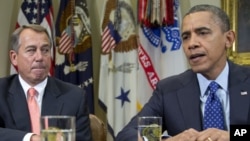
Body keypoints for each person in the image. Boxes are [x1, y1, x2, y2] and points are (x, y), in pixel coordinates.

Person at [116, 4, 250, 141]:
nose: (192, 44)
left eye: (203, 33)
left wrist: (233, 135)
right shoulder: (169, 90)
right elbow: (127, 136)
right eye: (186, 37)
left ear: (228, 39)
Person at [0, 24, 92, 141]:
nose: (39, 57)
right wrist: (31, 138)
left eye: (45, 50)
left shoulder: (75, 97)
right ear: (14, 57)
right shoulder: (1, 91)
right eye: (31, 50)